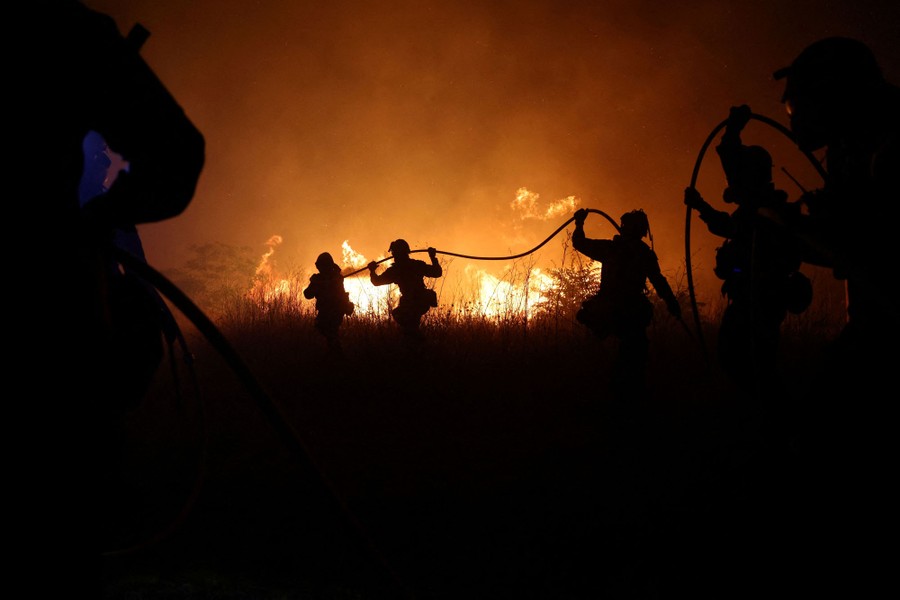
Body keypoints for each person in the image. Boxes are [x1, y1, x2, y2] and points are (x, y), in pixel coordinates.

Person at [19, 1, 205, 593]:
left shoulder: (69, 34)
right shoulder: (66, 33)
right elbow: (175, 154)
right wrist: (99, 220)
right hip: (50, 335)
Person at [770, 36, 899, 596]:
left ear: (837, 96)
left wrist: (807, 228)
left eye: (800, 105)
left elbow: (875, 247)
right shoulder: (857, 145)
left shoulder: (890, 150)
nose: (796, 120)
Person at [683, 105, 810, 419]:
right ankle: (776, 422)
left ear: (750, 177)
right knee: (743, 362)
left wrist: (733, 130)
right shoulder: (756, 207)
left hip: (761, 303)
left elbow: (732, 224)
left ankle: (786, 426)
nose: (734, 183)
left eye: (740, 177)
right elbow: (729, 224)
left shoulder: (768, 212)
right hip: (750, 300)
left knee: (753, 365)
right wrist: (700, 205)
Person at [572, 208, 681, 397]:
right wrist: (672, 303)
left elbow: (579, 242)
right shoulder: (639, 253)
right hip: (624, 312)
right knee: (632, 353)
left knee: (630, 354)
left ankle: (618, 391)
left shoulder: (614, 249)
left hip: (617, 312)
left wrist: (580, 223)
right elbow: (659, 281)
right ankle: (621, 390)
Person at [368, 240, 442, 340]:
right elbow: (436, 272)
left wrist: (372, 271)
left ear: (398, 253)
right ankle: (418, 344)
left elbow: (377, 282)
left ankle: (417, 345)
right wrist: (432, 257)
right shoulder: (416, 265)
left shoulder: (396, 270)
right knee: (410, 327)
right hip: (421, 301)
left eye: (394, 252)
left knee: (408, 327)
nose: (393, 255)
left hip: (412, 302)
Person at [304, 251, 355, 352]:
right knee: (329, 334)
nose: (318, 268)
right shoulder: (332, 278)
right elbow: (307, 294)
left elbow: (308, 294)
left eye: (319, 265)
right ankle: (335, 354)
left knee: (329, 333)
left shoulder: (335, 278)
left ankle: (337, 356)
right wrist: (315, 283)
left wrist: (317, 283)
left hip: (332, 312)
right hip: (330, 312)